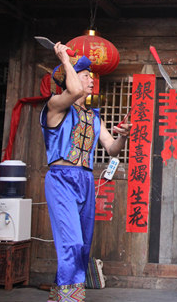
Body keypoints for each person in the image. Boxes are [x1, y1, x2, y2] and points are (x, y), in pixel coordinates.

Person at [40, 43, 131, 302]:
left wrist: (123, 137)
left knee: (82, 245)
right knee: (71, 242)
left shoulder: (93, 116)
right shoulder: (55, 105)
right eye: (85, 75)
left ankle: (61, 293)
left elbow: (112, 149)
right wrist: (64, 59)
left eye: (91, 76)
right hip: (61, 180)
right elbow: (75, 91)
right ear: (69, 78)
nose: (91, 80)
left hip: (85, 180)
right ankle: (71, 298)